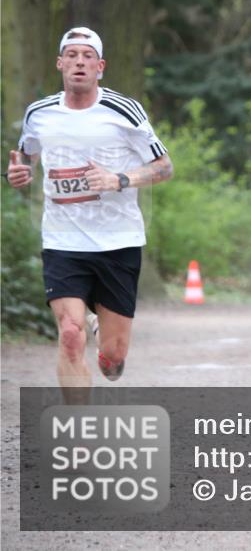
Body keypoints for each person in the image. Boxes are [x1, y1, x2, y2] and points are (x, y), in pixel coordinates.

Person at [6, 26, 173, 404]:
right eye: (72, 55)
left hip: (118, 241)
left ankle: (102, 332)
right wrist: (20, 171)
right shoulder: (39, 114)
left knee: (113, 362)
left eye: (87, 57)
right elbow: (24, 155)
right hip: (63, 241)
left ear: (100, 67)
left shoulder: (123, 110)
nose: (79, 62)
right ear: (60, 63)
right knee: (68, 334)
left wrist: (120, 178)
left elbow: (165, 168)